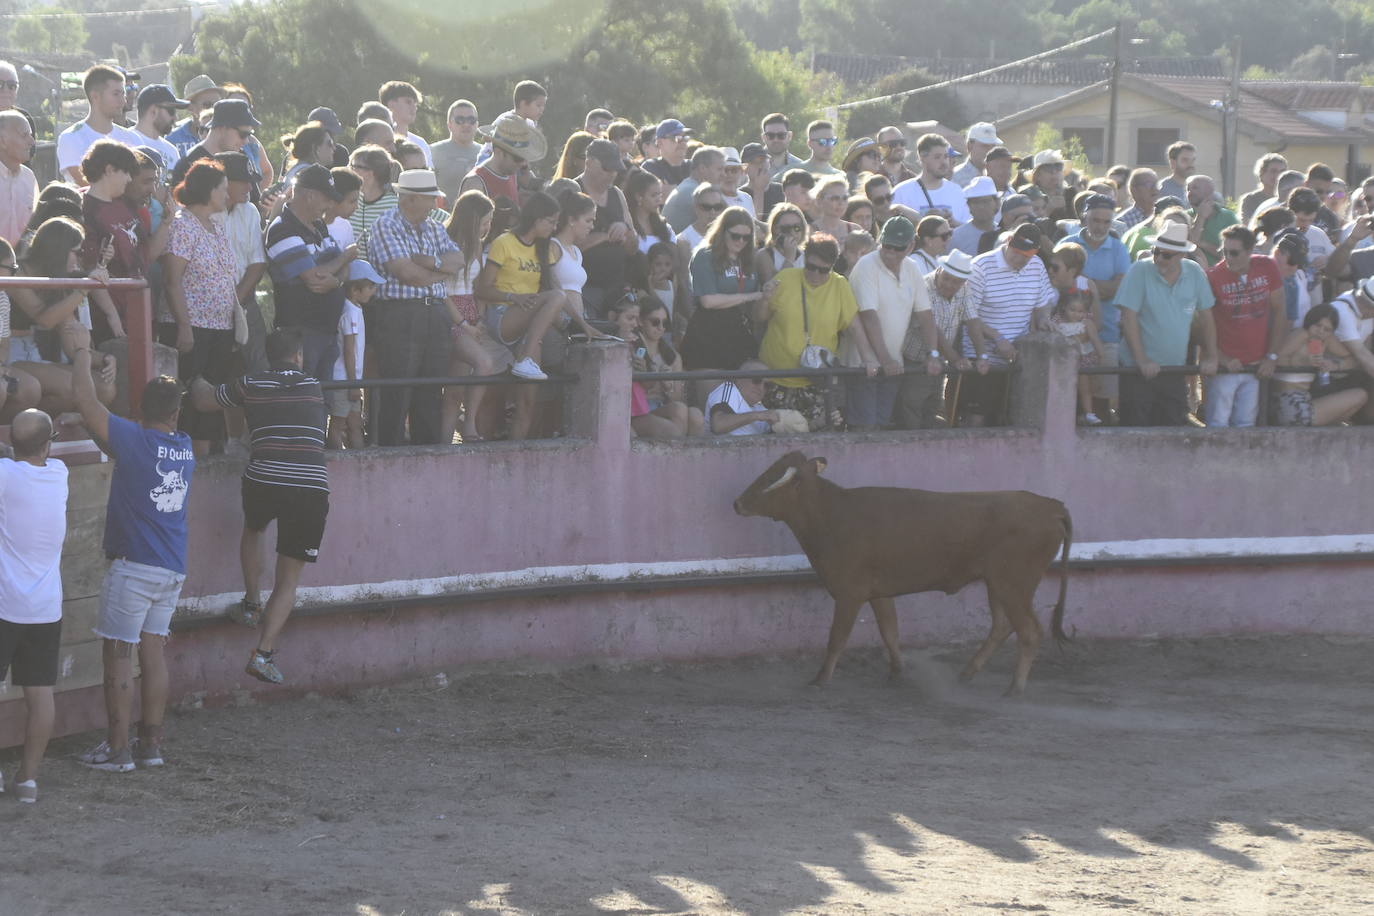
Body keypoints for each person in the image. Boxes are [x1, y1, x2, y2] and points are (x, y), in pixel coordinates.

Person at [66, 323, 190, 773]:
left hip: (134, 568)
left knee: (118, 656)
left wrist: (81, 353)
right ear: (176, 414)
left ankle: (117, 750)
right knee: (153, 654)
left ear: (139, 409)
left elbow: (86, 402)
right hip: (171, 568)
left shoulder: (135, 439)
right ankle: (150, 746)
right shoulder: (185, 447)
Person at [190, 329, 328, 685]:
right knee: (289, 580)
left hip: (264, 475)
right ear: (297, 356)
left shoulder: (250, 383)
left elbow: (205, 401)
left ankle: (251, 604)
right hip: (310, 485)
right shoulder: (313, 384)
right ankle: (263, 652)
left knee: (254, 529)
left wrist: (196, 376)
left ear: (268, 356)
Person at [366, 169, 464, 445]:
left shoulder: (433, 226)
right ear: (410, 199)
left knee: (431, 391)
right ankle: (389, 455)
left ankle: (427, 455)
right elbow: (407, 274)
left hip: (435, 313)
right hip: (399, 313)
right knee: (398, 392)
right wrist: (440, 272)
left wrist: (430, 263)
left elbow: (458, 259)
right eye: (430, 198)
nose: (435, 204)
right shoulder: (385, 225)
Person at [0, 407, 67, 802]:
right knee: (40, 695)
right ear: (48, 444)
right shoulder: (60, 474)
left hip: (5, 604)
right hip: (45, 608)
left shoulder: (5, 475)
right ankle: (27, 780)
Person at [475, 191, 573, 439]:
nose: (554, 227)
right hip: (502, 317)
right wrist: (512, 297)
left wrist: (582, 324)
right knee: (490, 400)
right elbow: (482, 288)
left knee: (528, 402)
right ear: (536, 219)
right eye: (550, 221)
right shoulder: (504, 242)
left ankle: (515, 455)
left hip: (527, 328)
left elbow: (554, 290)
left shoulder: (545, 250)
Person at [160, 161, 239, 455]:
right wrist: (183, 326)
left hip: (220, 328)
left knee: (211, 398)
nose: (227, 195)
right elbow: (171, 280)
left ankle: (206, 459)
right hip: (191, 327)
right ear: (208, 190)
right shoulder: (183, 225)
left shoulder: (216, 227)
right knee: (188, 396)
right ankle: (184, 457)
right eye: (223, 189)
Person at [758, 233, 872, 430]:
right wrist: (765, 299)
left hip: (818, 384)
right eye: (811, 267)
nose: (816, 275)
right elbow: (759, 318)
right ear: (804, 260)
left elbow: (855, 326)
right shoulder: (784, 278)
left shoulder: (839, 285)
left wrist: (868, 359)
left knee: (819, 445)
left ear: (833, 266)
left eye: (823, 270)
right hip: (775, 380)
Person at [1116, 222, 1219, 426]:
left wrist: (1212, 356)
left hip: (1174, 370)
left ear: (1181, 255)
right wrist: (1142, 360)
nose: (1158, 259)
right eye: (1156, 252)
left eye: (1166, 255)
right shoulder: (1139, 271)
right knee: (1134, 433)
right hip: (1136, 371)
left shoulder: (1195, 273)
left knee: (1174, 431)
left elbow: (1207, 317)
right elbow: (1128, 318)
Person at [843, 216, 940, 430]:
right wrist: (885, 359)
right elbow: (868, 315)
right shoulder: (866, 266)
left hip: (892, 365)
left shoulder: (912, 268)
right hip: (864, 364)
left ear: (911, 246)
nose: (891, 253)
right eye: (887, 246)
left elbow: (925, 315)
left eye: (898, 248)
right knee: (865, 429)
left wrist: (933, 354)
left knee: (882, 427)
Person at [265, 164, 350, 397]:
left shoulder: (319, 226)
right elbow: (315, 279)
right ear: (310, 195)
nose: (330, 205)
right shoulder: (283, 229)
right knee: (304, 398)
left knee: (323, 401)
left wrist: (338, 280)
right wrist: (346, 257)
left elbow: (340, 272)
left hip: (326, 332)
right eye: (327, 198)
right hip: (300, 334)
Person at [959, 223, 1056, 426]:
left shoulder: (1036, 265)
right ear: (1009, 242)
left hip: (1019, 356)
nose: (1021, 260)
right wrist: (997, 338)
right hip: (982, 355)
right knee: (978, 416)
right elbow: (968, 315)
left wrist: (1044, 318)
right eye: (1017, 254)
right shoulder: (980, 266)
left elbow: (1042, 302)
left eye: (1026, 256)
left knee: (1011, 417)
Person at [1197, 224, 1285, 428]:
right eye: (1224, 252)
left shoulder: (1267, 266)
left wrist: (1272, 356)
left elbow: (1281, 312)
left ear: (1250, 251)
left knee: (1246, 424)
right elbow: (1200, 324)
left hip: (1255, 366)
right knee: (1217, 424)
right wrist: (1220, 357)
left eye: (1234, 253)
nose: (1228, 258)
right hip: (1226, 367)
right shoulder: (1213, 276)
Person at [441, 190, 509, 443]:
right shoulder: (448, 243)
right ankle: (469, 425)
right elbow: (442, 292)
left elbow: (478, 287)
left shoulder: (478, 245)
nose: (488, 227)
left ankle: (445, 441)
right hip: (451, 314)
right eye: (484, 221)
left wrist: (478, 319)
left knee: (455, 390)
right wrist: (462, 323)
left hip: (471, 312)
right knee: (484, 363)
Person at [1063, 194, 1129, 419]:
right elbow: (1061, 285)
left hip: (1107, 334)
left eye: (1106, 222)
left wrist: (1084, 282)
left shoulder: (1119, 248)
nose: (1101, 226)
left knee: (1101, 401)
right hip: (1067, 337)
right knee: (1067, 398)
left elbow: (1119, 288)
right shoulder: (1067, 244)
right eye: (1095, 220)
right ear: (1084, 218)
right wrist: (1102, 287)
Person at [901, 249, 983, 428]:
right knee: (912, 406)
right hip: (915, 359)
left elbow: (973, 321)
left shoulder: (964, 290)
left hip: (939, 361)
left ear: (963, 282)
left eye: (956, 282)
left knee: (933, 406)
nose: (949, 285)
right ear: (939, 270)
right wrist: (955, 359)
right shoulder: (923, 287)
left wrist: (982, 355)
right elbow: (932, 329)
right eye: (947, 278)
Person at [680, 206, 763, 373]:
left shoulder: (749, 259)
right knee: (712, 394)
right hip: (709, 332)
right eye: (735, 236)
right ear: (723, 232)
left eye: (746, 237)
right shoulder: (705, 255)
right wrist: (750, 296)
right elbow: (708, 301)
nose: (740, 241)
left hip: (739, 331)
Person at [77, 140, 141, 345]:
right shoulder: (85, 209)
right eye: (126, 172)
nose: (130, 179)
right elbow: (90, 268)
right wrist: (111, 314)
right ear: (109, 169)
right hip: (106, 316)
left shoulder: (125, 203)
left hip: (134, 304)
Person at [1269, 304, 1366, 425]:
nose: (1321, 331)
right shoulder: (1302, 334)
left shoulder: (1326, 339)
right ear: (1310, 322)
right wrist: (1302, 362)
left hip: (1305, 400)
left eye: (1327, 329)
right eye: (1318, 325)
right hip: (1288, 405)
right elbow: (1275, 360)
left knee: (1360, 396)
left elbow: (1354, 360)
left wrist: (1335, 365)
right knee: (1360, 395)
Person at [575, 138, 638, 313]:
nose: (612, 174)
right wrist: (605, 235)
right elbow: (560, 247)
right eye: (607, 168)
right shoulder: (573, 192)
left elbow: (633, 248)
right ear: (589, 163)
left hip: (616, 290)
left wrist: (626, 231)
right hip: (584, 289)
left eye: (616, 170)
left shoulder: (616, 194)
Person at [57, 65, 142, 186]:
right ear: (95, 96)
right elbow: (85, 184)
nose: (123, 101)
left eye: (123, 94)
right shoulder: (71, 138)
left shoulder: (133, 138)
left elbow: (139, 182)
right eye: (116, 94)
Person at [327, 260, 380, 449]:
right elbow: (349, 350)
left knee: (355, 425)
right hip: (345, 380)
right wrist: (353, 384)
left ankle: (360, 461)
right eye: (370, 286)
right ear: (355, 290)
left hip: (351, 380)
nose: (373, 290)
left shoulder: (355, 308)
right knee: (337, 424)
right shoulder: (350, 312)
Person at [632, 299, 703, 438]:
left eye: (665, 323)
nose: (661, 328)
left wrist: (667, 387)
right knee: (679, 410)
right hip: (641, 409)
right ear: (640, 321)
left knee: (696, 415)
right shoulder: (633, 348)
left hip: (663, 406)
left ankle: (685, 455)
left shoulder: (673, 357)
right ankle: (678, 454)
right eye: (655, 322)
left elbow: (677, 398)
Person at [169, 98, 261, 188]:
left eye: (249, 135)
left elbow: (254, 199)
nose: (246, 141)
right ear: (222, 129)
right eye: (243, 134)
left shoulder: (241, 158)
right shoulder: (188, 164)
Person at [461, 112, 546, 209]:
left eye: (525, 158)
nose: (524, 164)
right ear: (499, 152)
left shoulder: (511, 174)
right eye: (518, 158)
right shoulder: (476, 182)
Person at [1048, 289, 1105, 424]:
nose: (1076, 314)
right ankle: (1059, 413)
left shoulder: (1087, 324)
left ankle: (1089, 412)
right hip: (1062, 361)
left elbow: (1097, 343)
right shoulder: (1056, 322)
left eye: (1080, 311)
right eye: (1072, 310)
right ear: (1064, 308)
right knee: (1060, 387)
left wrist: (1102, 361)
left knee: (1085, 385)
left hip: (1082, 359)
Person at [892, 134, 970, 225]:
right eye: (937, 157)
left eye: (946, 156)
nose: (944, 162)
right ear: (922, 157)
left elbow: (967, 230)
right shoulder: (901, 192)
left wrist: (952, 222)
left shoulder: (957, 192)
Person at [347, 145, 398, 258]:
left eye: (353, 166)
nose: (349, 169)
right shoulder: (347, 202)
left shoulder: (396, 205)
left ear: (370, 173)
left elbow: (439, 216)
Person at [663, 145, 725, 234]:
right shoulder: (694, 192)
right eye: (719, 169)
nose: (724, 175)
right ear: (702, 168)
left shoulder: (689, 186)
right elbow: (728, 223)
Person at [706, 361, 777, 435]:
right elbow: (718, 425)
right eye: (756, 380)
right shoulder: (729, 390)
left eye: (767, 385)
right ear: (739, 378)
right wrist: (756, 415)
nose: (761, 388)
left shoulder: (760, 409)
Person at [431, 99, 481, 205]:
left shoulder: (486, 153)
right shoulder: (433, 151)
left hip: (479, 218)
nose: (466, 124)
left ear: (477, 124)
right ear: (449, 124)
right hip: (443, 217)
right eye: (460, 120)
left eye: (471, 120)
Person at [164, 74, 223, 159]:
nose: (213, 110)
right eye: (207, 105)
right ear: (191, 108)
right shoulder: (173, 139)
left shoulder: (228, 136)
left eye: (218, 104)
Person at [1184, 174, 1238, 267]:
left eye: (1195, 188)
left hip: (1220, 275)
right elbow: (1186, 245)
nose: (1190, 192)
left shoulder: (1228, 217)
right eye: (1188, 189)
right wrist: (1200, 218)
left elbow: (1235, 253)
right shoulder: (1183, 216)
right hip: (1190, 274)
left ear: (1209, 192)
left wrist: (1202, 244)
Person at [0, 110, 36, 245]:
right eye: (24, 135)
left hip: (20, 263)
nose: (32, 142)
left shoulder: (29, 178)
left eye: (31, 135)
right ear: (2, 141)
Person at [379, 80, 432, 167]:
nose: (414, 107)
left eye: (415, 103)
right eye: (408, 102)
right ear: (391, 104)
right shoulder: (380, 141)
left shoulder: (421, 143)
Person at [624, 168, 675, 253]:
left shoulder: (664, 226)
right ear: (638, 197)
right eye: (654, 195)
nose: (659, 199)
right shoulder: (627, 228)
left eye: (660, 194)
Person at [950, 176, 999, 256]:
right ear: (969, 205)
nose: (981, 207)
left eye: (985, 201)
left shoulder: (1004, 235)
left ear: (996, 203)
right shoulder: (956, 237)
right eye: (976, 202)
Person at [676, 183, 725, 256]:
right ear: (696, 208)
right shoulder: (684, 239)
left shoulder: (729, 235)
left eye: (717, 207)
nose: (712, 212)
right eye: (706, 207)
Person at [642, 118, 693, 188]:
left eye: (685, 138)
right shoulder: (651, 168)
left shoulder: (693, 167)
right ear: (660, 143)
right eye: (677, 138)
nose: (683, 142)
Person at [950, 122, 1003, 187]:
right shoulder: (954, 178)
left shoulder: (999, 175)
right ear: (969, 146)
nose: (991, 151)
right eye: (985, 146)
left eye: (993, 146)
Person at [739, 142, 784, 218]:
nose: (760, 165)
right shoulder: (741, 195)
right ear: (744, 168)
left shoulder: (781, 190)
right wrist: (759, 191)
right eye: (754, 162)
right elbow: (754, 225)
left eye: (763, 160)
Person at [1241, 153, 1287, 226]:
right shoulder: (1251, 199)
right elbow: (1249, 225)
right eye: (1273, 171)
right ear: (1262, 174)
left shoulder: (1288, 199)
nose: (1278, 175)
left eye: (1282, 171)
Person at [812, 175, 860, 241]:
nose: (841, 203)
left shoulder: (855, 230)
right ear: (819, 201)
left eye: (845, 198)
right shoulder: (810, 231)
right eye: (835, 198)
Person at [761, 113, 802, 179]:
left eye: (781, 135)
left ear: (789, 136)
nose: (776, 140)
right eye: (770, 135)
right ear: (763, 137)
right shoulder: (752, 165)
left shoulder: (799, 167)